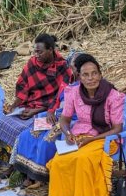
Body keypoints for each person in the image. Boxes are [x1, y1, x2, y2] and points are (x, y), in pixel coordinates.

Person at [44, 54, 124, 196]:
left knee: (82, 158)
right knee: (60, 160)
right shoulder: (73, 92)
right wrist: (67, 133)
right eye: (85, 75)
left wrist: (92, 139)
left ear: (100, 74)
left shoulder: (112, 96)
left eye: (94, 73)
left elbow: (117, 128)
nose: (90, 78)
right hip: (80, 135)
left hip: (105, 138)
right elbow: (65, 119)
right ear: (79, 77)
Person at [0, 34, 71, 170]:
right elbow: (23, 87)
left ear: (51, 50)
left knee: (23, 130)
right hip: (27, 106)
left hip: (48, 110)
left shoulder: (62, 67)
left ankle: (18, 167)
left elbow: (61, 96)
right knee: (2, 121)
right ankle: (6, 162)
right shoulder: (32, 63)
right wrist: (14, 106)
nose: (36, 55)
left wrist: (37, 110)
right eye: (35, 51)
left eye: (40, 52)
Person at [11, 51, 82, 187]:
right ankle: (27, 173)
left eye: (75, 66)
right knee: (28, 134)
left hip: (70, 122)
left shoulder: (85, 87)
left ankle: (40, 177)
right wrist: (50, 112)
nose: (73, 70)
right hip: (56, 117)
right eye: (72, 66)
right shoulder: (67, 83)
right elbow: (56, 101)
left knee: (46, 140)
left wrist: (60, 117)